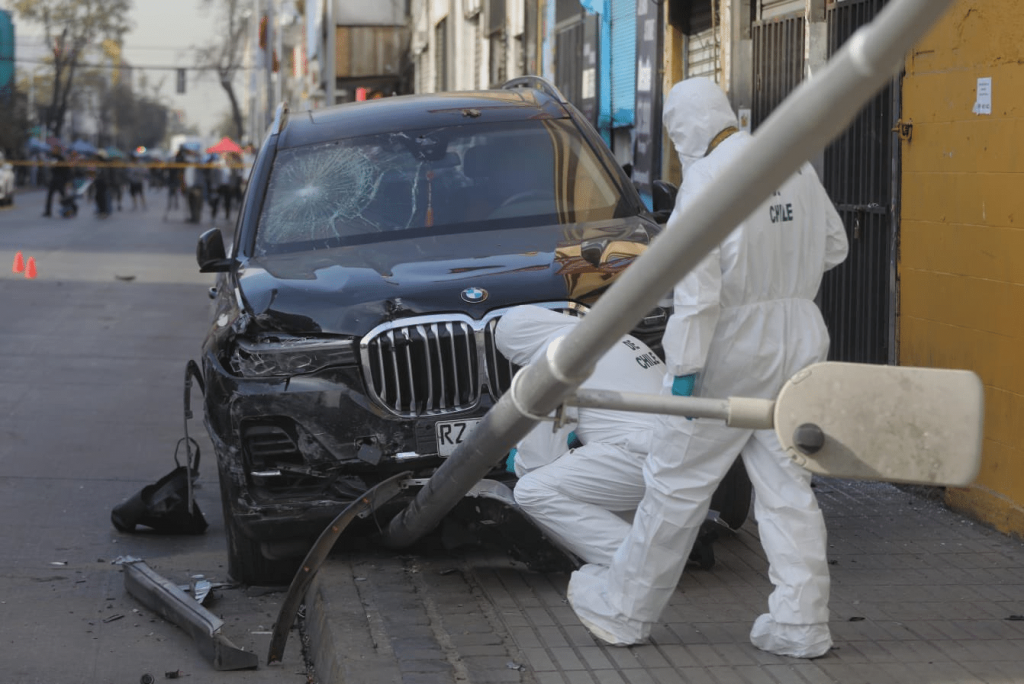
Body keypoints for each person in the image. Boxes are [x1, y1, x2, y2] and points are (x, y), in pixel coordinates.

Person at [566, 77, 849, 658]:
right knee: (787, 487)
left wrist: (685, 372)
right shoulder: (793, 162)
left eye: (675, 134)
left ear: (687, 128)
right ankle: (802, 625)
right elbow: (834, 246)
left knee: (675, 484)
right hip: (798, 338)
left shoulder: (706, 179)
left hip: (729, 346)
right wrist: (782, 273)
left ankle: (623, 610)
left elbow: (697, 290)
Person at [495, 305, 664, 566]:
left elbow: (539, 457)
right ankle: (658, 546)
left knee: (533, 490)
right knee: (590, 483)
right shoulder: (617, 337)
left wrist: (518, 458)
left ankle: (639, 564)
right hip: (684, 449)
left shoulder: (555, 358)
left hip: (639, 457)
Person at [42, 145, 72, 217]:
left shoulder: (61, 159)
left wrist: (66, 180)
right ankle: (48, 211)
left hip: (60, 180)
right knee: (50, 195)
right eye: (53, 149)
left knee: (63, 196)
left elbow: (67, 170)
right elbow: (52, 167)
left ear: (58, 151)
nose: (53, 150)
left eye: (55, 149)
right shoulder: (53, 157)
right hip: (54, 180)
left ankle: (68, 210)